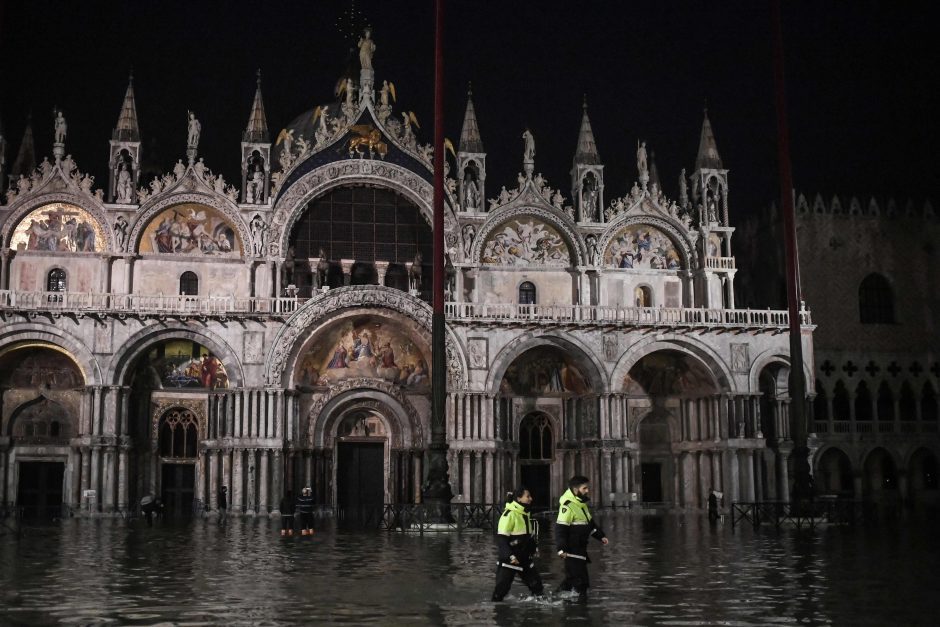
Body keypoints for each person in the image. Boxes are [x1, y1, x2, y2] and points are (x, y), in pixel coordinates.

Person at [555, 475, 609, 604]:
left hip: (580, 549)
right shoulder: (567, 506)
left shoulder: (581, 504)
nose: (587, 491)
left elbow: (589, 524)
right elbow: (561, 529)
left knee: (571, 579)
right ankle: (580, 611)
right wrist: (561, 549)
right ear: (575, 489)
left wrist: (601, 536)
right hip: (572, 550)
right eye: (584, 488)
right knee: (582, 582)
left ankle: (556, 600)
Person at [492, 487, 544, 602]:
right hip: (510, 560)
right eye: (528, 496)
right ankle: (499, 612)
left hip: (525, 558)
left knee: (537, 587)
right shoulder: (509, 514)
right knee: (500, 591)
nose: (531, 499)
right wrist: (510, 556)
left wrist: (534, 548)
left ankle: (537, 611)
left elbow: (527, 536)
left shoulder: (525, 514)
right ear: (519, 498)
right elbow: (501, 539)